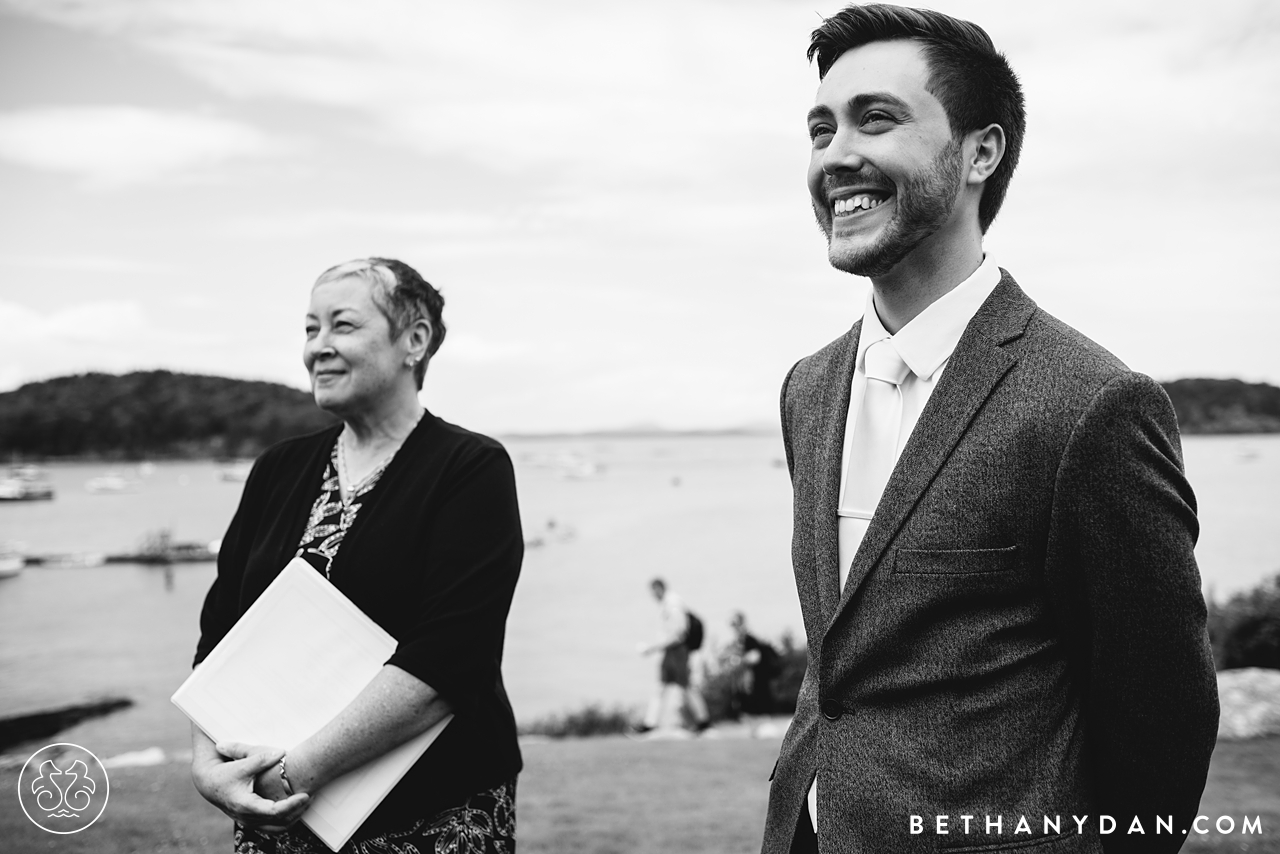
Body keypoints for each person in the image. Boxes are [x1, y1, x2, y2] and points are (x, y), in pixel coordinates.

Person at [762, 6, 1219, 853]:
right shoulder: (808, 389)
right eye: (820, 129)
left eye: (877, 118)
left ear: (982, 151)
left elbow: (1163, 718)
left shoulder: (1092, 403)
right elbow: (845, 660)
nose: (836, 156)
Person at [190, 258, 524, 853]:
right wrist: (209, 767)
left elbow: (450, 658)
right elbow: (221, 631)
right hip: (273, 815)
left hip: (431, 813)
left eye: (341, 326)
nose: (318, 347)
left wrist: (294, 774)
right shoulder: (277, 469)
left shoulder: (471, 469)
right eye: (310, 329)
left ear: (414, 340)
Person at [637, 577, 712, 734]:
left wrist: (652, 648)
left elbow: (678, 634)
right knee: (663, 687)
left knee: (684, 686)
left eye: (653, 592)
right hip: (671, 651)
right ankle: (650, 723)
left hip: (677, 651)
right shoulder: (668, 603)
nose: (653, 596)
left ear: (658, 588)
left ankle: (703, 721)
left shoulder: (673, 604)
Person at [728, 611, 780, 717]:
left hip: (756, 679)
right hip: (748, 680)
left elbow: (755, 657)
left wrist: (739, 661)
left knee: (757, 706)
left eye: (736, 624)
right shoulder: (741, 640)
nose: (735, 628)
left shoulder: (749, 639)